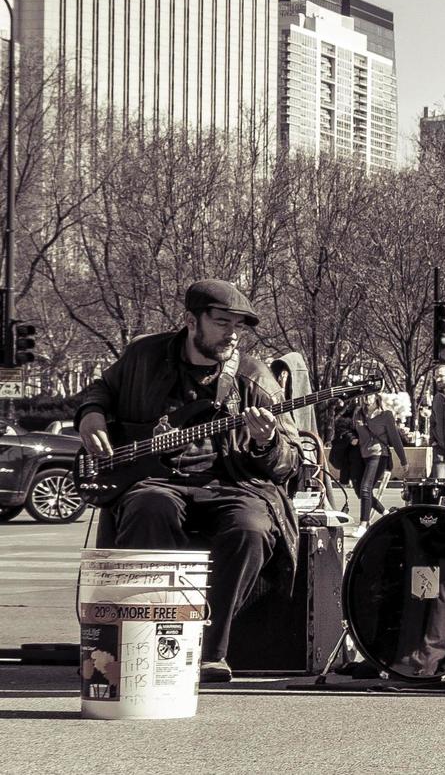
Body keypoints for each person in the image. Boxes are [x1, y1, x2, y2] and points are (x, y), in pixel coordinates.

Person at [75, 280, 299, 684]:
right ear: (190, 321)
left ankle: (211, 649)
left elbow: (293, 462)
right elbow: (101, 388)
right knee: (148, 507)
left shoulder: (254, 377)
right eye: (221, 321)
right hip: (156, 481)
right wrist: (91, 414)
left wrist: (266, 442)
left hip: (234, 484)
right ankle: (148, 638)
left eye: (238, 325)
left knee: (250, 527)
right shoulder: (144, 354)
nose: (232, 333)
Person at [349, 393, 407, 535]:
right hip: (362, 455)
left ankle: (363, 525)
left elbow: (395, 438)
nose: (366, 398)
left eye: (369, 396)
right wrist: (351, 438)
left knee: (365, 488)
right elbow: (351, 431)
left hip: (379, 455)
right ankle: (386, 514)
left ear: (376, 398)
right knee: (360, 491)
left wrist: (403, 460)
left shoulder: (386, 415)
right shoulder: (358, 413)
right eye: (364, 395)